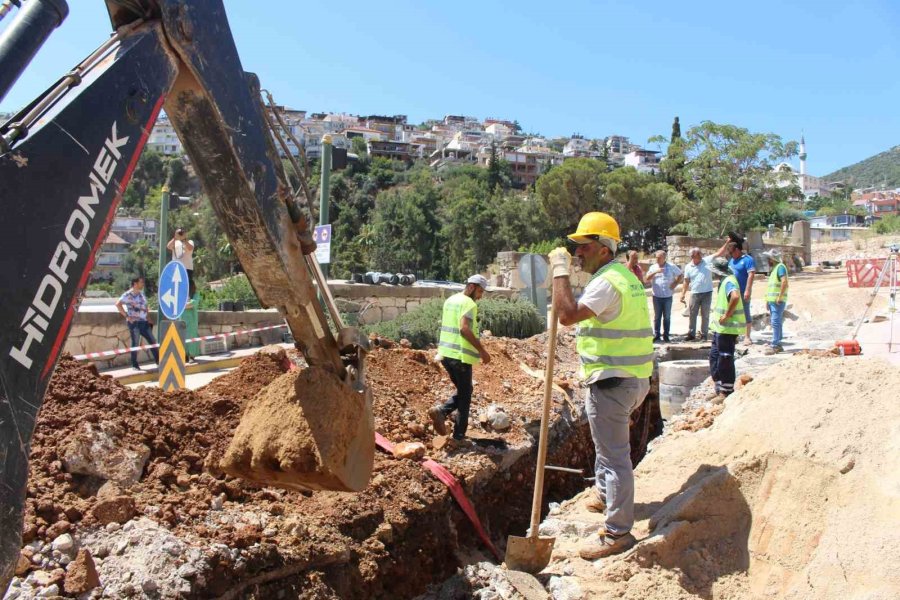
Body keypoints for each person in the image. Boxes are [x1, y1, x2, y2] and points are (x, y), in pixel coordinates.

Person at [548, 212, 653, 560]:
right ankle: (605, 495)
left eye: (584, 247)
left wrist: (559, 271)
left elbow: (566, 315)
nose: (578, 253)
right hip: (631, 378)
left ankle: (617, 532)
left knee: (614, 455)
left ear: (604, 249)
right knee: (604, 443)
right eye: (574, 248)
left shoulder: (607, 282)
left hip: (614, 381)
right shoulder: (624, 277)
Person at [428, 275, 492, 446]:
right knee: (465, 397)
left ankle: (442, 412)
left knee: (465, 391)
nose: (480, 296)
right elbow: (464, 329)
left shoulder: (451, 300)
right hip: (460, 357)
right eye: (479, 291)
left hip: (446, 355)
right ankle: (458, 435)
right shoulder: (468, 303)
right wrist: (483, 351)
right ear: (471, 287)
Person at [708, 257, 745, 397]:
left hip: (727, 329)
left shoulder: (729, 281)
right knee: (714, 356)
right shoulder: (725, 281)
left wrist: (727, 315)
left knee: (725, 358)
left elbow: (735, 297)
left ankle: (727, 390)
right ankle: (718, 387)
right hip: (719, 329)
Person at [714, 235, 755, 345]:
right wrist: (727, 242)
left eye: (732, 252)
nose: (731, 255)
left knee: (745, 312)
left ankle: (747, 336)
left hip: (742, 290)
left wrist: (747, 290)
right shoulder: (731, 260)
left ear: (737, 250)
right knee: (732, 312)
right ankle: (734, 335)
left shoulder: (747, 260)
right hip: (731, 291)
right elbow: (720, 254)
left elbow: (751, 275)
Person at [115, 276, 160, 370]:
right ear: (135, 284)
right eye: (141, 282)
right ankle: (134, 365)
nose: (142, 284)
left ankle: (158, 361)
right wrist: (127, 316)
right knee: (135, 343)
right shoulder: (128, 295)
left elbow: (145, 306)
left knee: (152, 341)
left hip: (144, 322)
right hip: (134, 323)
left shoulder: (141, 294)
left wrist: (148, 318)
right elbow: (118, 304)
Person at [643, 250, 682, 343]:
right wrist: (656, 271)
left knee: (667, 317)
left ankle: (666, 336)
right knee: (657, 317)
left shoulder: (671, 266)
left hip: (668, 296)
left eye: (659, 257)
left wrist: (675, 283)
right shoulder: (653, 267)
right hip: (656, 296)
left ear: (664, 258)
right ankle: (657, 335)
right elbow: (646, 279)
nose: (657, 259)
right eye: (656, 257)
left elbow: (680, 274)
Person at [680, 247, 714, 341]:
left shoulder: (706, 261)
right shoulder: (688, 267)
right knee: (692, 314)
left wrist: (727, 243)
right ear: (692, 256)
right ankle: (691, 334)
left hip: (707, 293)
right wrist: (683, 294)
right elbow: (686, 281)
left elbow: (718, 253)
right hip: (695, 293)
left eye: (700, 254)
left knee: (705, 314)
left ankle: (704, 335)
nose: (700, 255)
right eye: (698, 254)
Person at [763, 249, 789, 355]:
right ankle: (777, 343)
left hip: (777, 301)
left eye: (769, 258)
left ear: (772, 259)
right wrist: (767, 300)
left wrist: (780, 296)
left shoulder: (780, 267)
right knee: (776, 322)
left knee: (775, 322)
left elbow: (784, 282)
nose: (767, 260)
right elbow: (771, 288)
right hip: (772, 301)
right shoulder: (774, 269)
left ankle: (775, 344)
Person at [183, 280, 200, 362]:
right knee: (183, 337)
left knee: (192, 337)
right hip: (182, 319)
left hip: (192, 320)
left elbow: (191, 304)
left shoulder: (196, 295)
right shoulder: (181, 295)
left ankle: (192, 356)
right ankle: (185, 355)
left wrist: (183, 305)